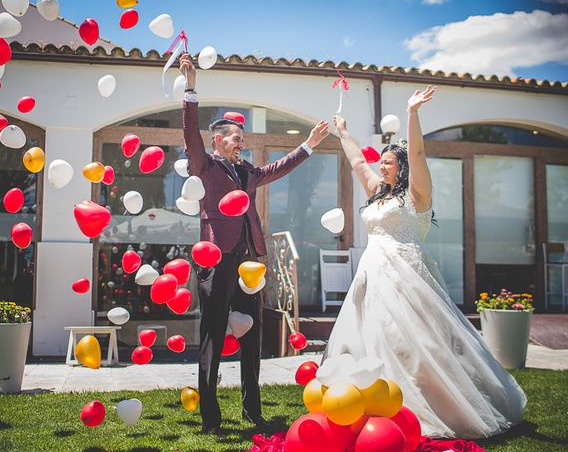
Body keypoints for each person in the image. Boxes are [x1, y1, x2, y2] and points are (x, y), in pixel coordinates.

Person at [324, 85, 526, 438]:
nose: (380, 164)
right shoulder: (376, 193)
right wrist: (343, 133)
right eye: (381, 161)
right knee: (374, 336)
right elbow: (357, 161)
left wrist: (412, 113)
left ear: (401, 169)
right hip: (372, 275)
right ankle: (376, 403)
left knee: (418, 342)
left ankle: (429, 407)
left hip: (406, 274)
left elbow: (416, 152)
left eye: (387, 161)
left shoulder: (418, 195)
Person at [179, 53, 330, 437]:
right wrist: (191, 90)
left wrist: (308, 146)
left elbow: (276, 169)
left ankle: (253, 411)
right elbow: (190, 134)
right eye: (234, 137)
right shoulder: (205, 166)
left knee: (251, 339)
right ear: (218, 139)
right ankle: (211, 418)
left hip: (250, 262)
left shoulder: (246, 171)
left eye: (241, 138)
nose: (240, 141)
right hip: (216, 258)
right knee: (213, 334)